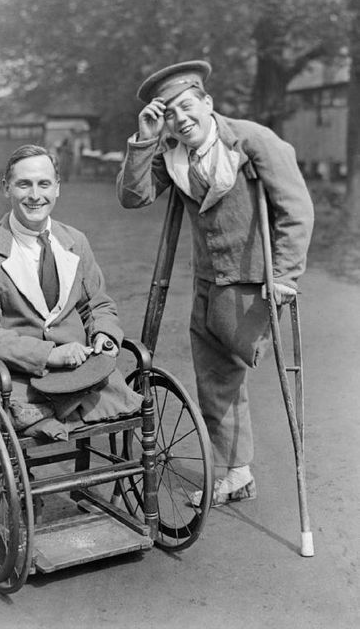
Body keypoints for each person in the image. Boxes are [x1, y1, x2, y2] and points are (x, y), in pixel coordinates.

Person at [117, 60, 314, 506]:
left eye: (187, 107)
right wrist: (146, 139)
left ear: (206, 102)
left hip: (254, 283)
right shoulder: (172, 153)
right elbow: (133, 197)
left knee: (231, 368)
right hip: (208, 281)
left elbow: (296, 210)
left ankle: (237, 468)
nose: (181, 119)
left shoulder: (251, 140)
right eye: (169, 113)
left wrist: (284, 275)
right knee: (214, 379)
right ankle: (235, 472)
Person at [0, 144, 140, 440]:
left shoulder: (75, 241)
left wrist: (104, 334)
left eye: (43, 184)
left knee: (127, 400)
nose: (34, 195)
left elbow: (98, 304)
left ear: (57, 188)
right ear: (6, 188)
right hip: (13, 379)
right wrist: (49, 354)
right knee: (18, 412)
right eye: (23, 184)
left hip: (79, 376)